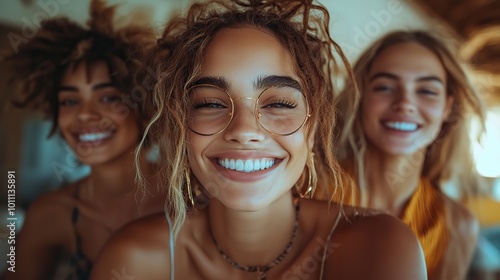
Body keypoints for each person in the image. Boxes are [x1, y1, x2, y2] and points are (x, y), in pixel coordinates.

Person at [91, 1, 427, 279]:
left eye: (279, 103)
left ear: (314, 129)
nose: (244, 129)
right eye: (210, 103)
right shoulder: (132, 261)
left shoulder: (378, 246)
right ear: (179, 127)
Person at [1, 1, 165, 279]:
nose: (85, 114)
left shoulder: (191, 198)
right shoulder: (52, 212)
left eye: (109, 97)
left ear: (144, 106)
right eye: (70, 100)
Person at [324, 30, 486, 279]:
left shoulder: (457, 226)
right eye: (385, 87)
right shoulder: (309, 189)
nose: (405, 103)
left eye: (427, 91)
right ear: (361, 97)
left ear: (447, 107)